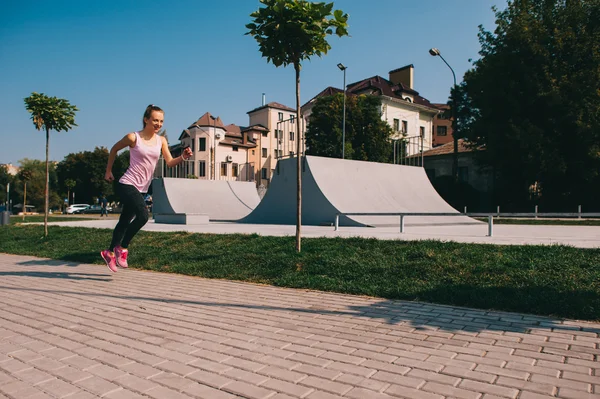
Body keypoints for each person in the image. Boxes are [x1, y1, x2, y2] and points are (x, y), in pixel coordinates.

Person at [101, 104, 192, 272]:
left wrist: (183, 157)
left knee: (124, 221)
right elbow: (114, 149)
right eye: (155, 120)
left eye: (161, 121)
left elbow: (170, 162)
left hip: (142, 187)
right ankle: (122, 248)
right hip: (127, 183)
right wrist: (108, 171)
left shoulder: (161, 141)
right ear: (146, 119)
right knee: (143, 215)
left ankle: (109, 252)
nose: (158, 124)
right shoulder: (133, 137)